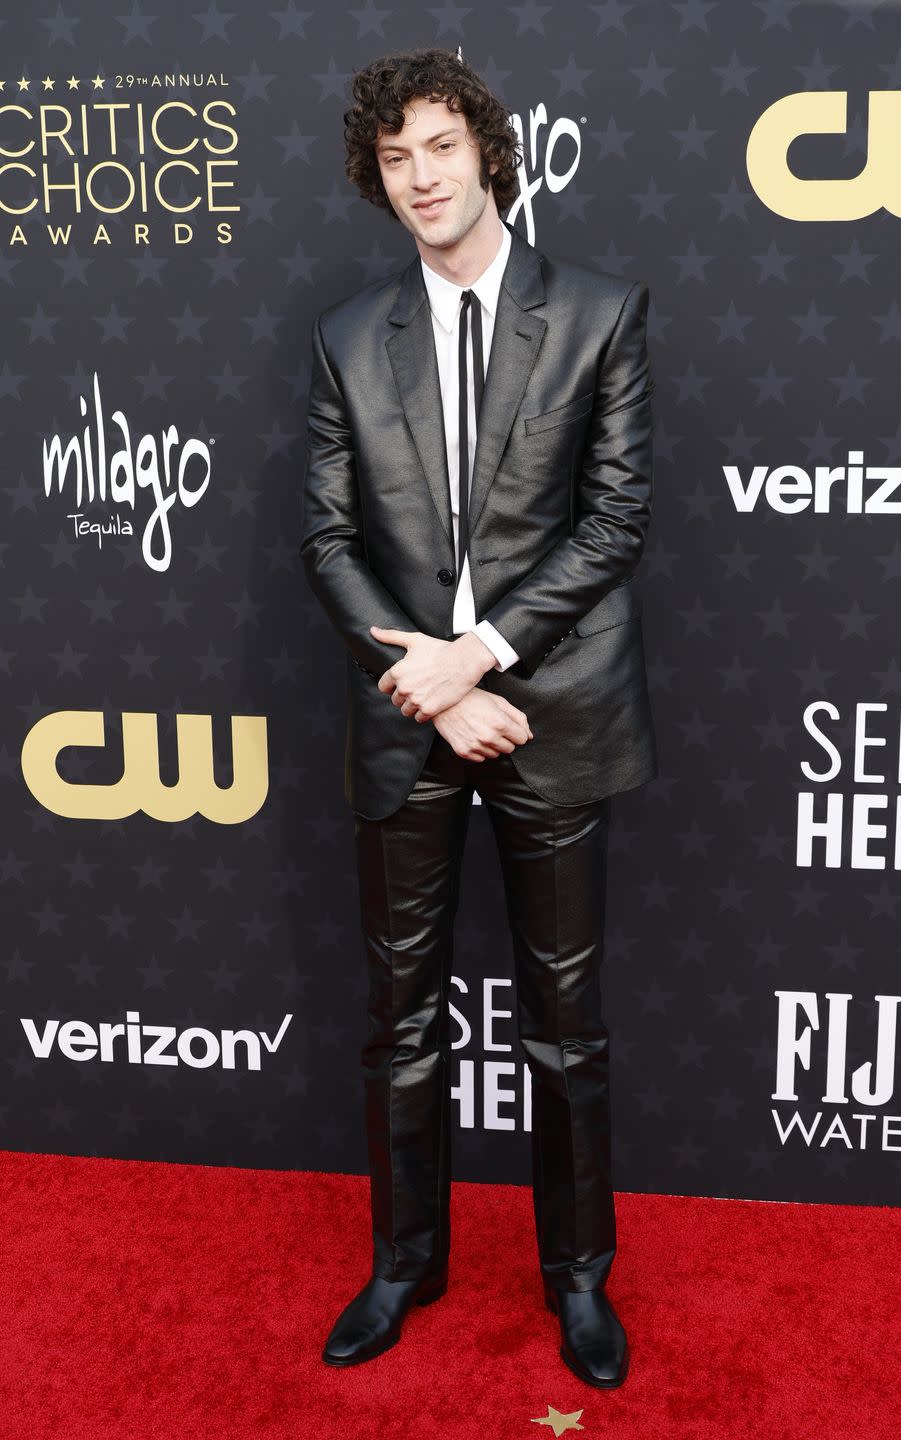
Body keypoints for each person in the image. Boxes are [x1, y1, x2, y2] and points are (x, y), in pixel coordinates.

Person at [300, 46, 657, 1390]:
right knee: (399, 1015)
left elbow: (616, 521)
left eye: (439, 146)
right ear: (376, 176)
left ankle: (579, 1281)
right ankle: (404, 1263)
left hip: (550, 710)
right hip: (409, 721)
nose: (420, 177)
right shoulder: (347, 337)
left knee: (565, 1024)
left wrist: (484, 662)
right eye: (394, 158)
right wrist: (429, 689)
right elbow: (327, 539)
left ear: (488, 154)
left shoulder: (601, 314)